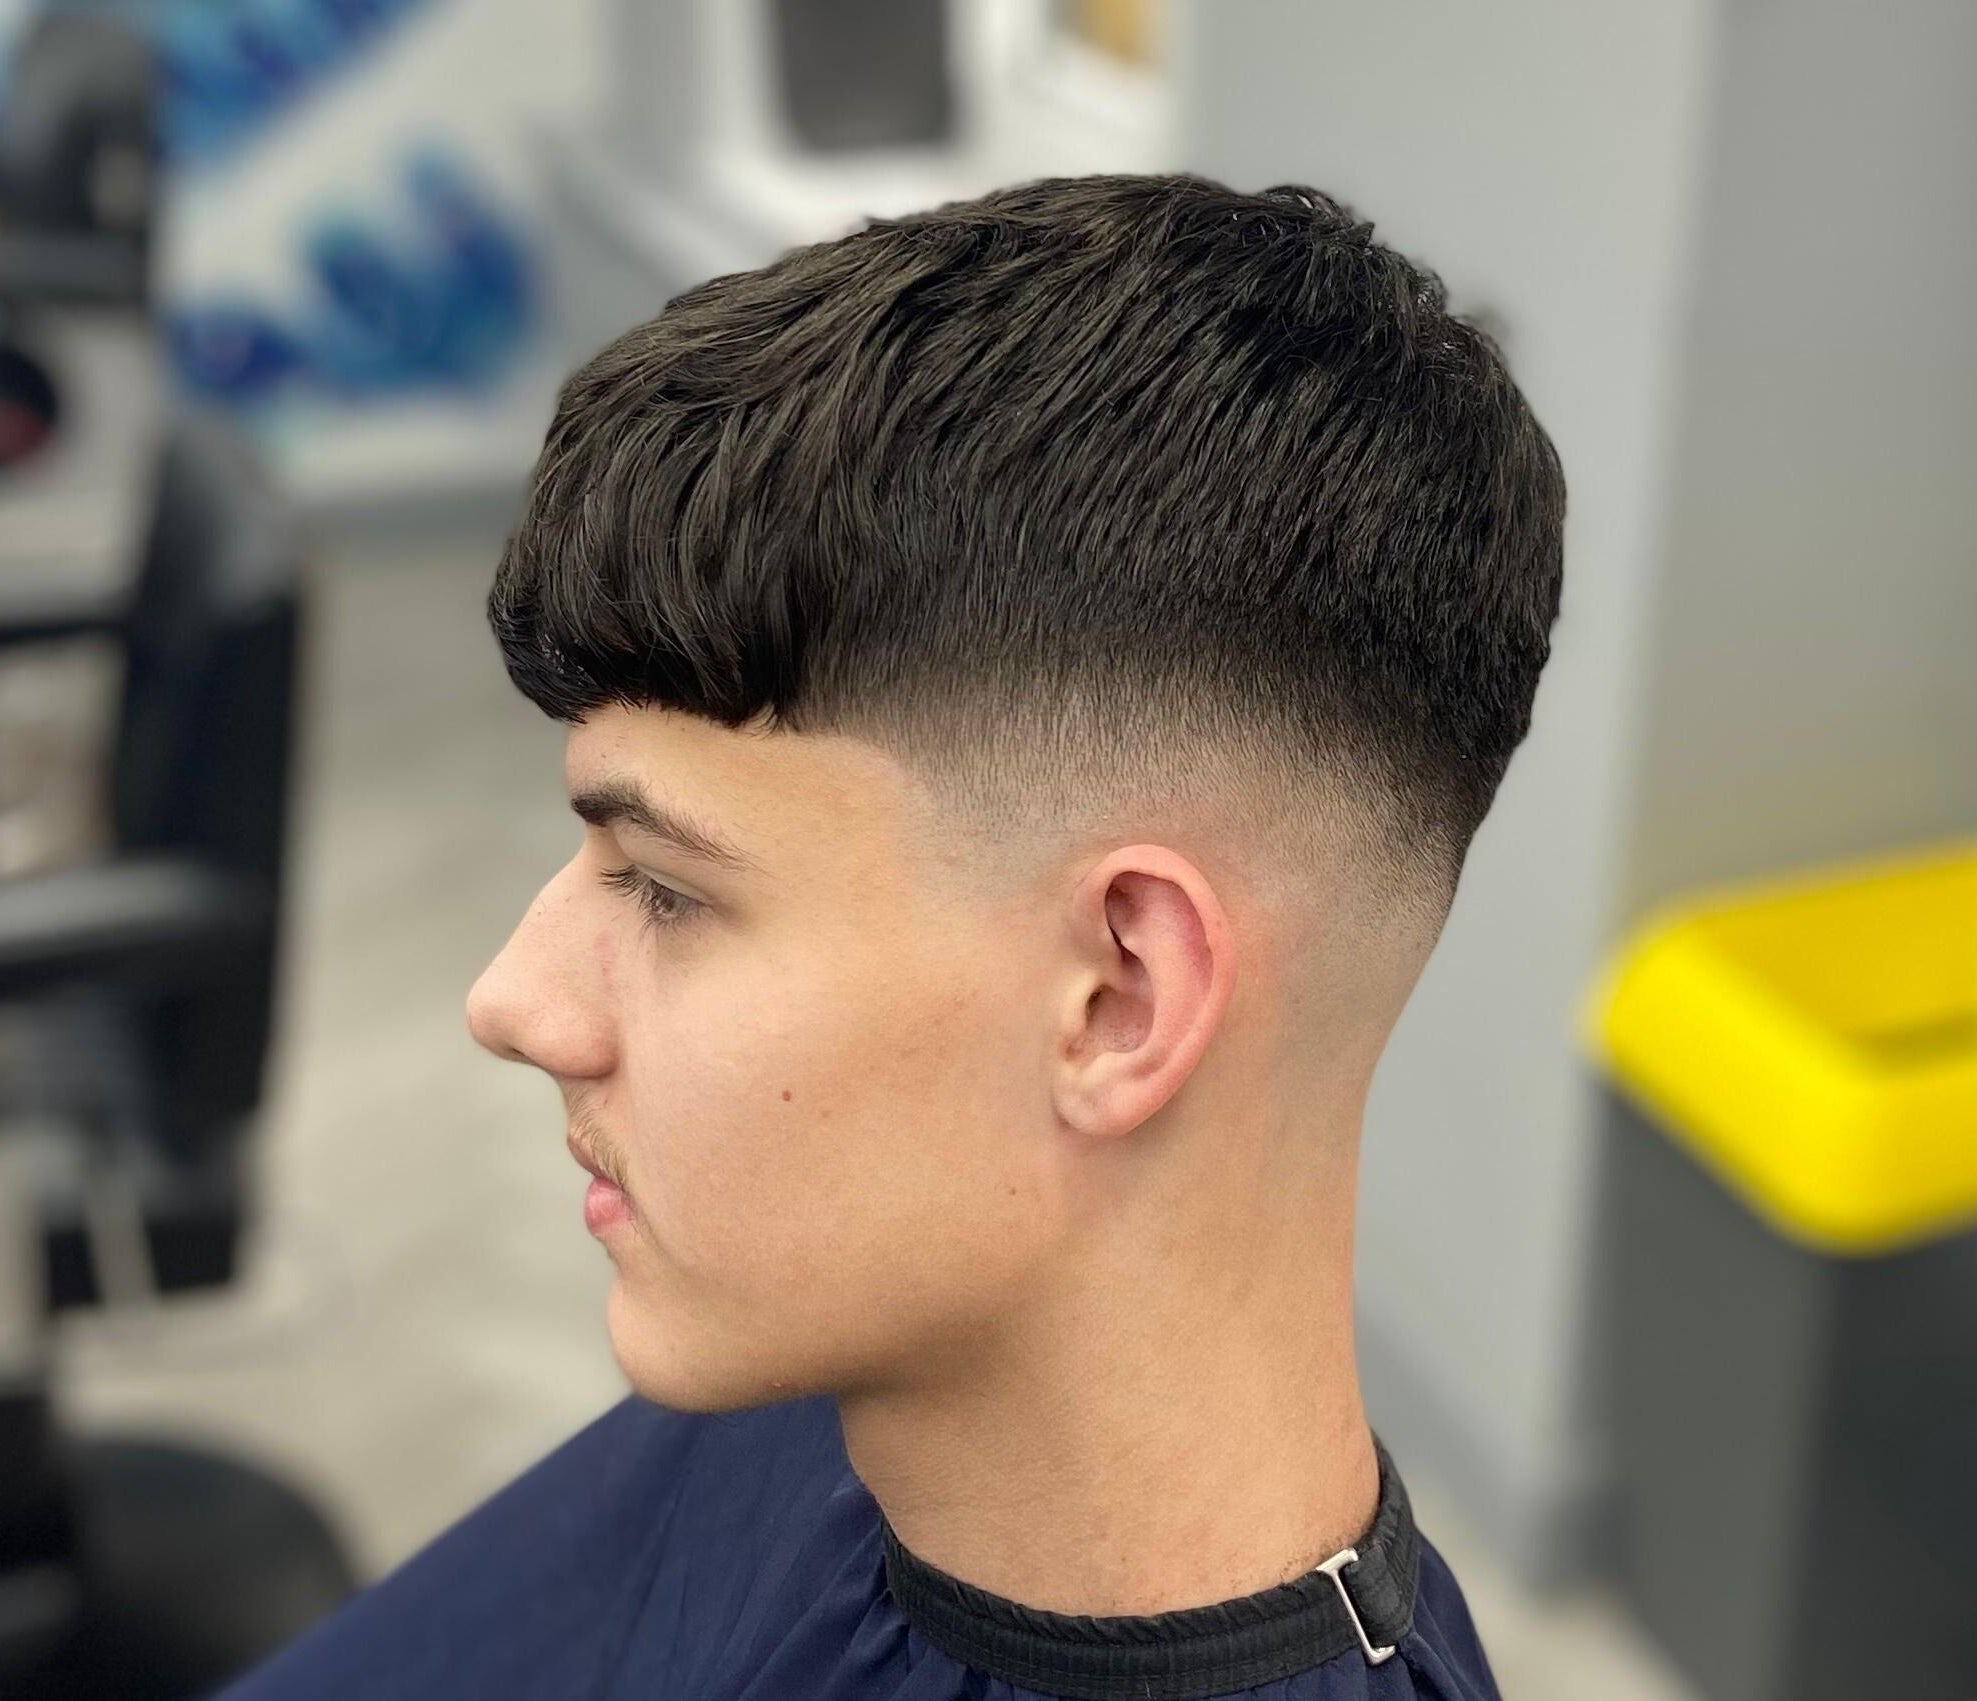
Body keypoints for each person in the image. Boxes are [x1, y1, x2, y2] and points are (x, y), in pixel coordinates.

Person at [220, 173, 1564, 1701]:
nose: (514, 1001)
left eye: (662, 887)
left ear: (1116, 997)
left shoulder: (822, 1313)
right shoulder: (833, 1367)